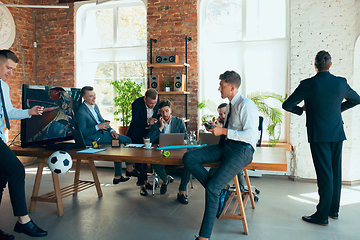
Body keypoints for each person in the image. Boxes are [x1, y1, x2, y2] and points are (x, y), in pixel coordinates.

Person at [282, 50, 360, 226]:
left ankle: (322, 215)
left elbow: (287, 105)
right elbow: (356, 100)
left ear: (315, 65)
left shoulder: (308, 84)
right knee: (335, 171)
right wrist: (337, 109)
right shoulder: (341, 82)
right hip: (337, 133)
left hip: (318, 135)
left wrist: (301, 110)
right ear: (330, 65)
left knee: (325, 174)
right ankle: (334, 210)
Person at [182, 70, 258, 240]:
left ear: (232, 87)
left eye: (222, 86)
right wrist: (216, 129)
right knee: (189, 157)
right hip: (226, 146)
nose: (219, 89)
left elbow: (251, 137)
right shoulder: (230, 105)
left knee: (213, 188)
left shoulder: (246, 105)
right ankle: (216, 190)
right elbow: (229, 132)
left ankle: (204, 237)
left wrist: (223, 130)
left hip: (243, 150)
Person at [0, 50, 47, 239]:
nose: (10, 72)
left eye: (12, 69)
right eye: (8, 67)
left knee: (2, 178)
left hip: (1, 138)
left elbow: (8, 111)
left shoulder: (3, 86)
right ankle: (24, 221)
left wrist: (30, 112)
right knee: (18, 170)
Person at [75, 86, 136, 184]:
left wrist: (112, 130)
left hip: (103, 133)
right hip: (94, 139)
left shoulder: (95, 106)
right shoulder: (81, 112)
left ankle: (118, 176)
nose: (94, 98)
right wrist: (98, 127)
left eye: (94, 95)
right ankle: (129, 170)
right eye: (91, 96)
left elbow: (102, 121)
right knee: (127, 140)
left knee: (120, 143)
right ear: (84, 98)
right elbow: (82, 133)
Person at [146, 99, 189, 201]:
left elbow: (186, 137)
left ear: (171, 110)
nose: (164, 114)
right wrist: (160, 127)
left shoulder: (179, 122)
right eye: (161, 111)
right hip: (163, 152)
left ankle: (182, 191)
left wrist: (184, 141)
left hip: (177, 150)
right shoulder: (157, 123)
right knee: (155, 162)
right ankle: (165, 180)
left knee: (189, 162)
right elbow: (149, 139)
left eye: (166, 111)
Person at [126, 89, 159, 196]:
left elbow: (158, 115)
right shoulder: (137, 103)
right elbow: (135, 121)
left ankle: (146, 181)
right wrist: (147, 121)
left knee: (147, 159)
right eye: (150, 103)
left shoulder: (157, 102)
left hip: (149, 134)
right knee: (140, 161)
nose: (153, 105)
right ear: (145, 99)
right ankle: (142, 186)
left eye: (154, 103)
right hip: (136, 133)